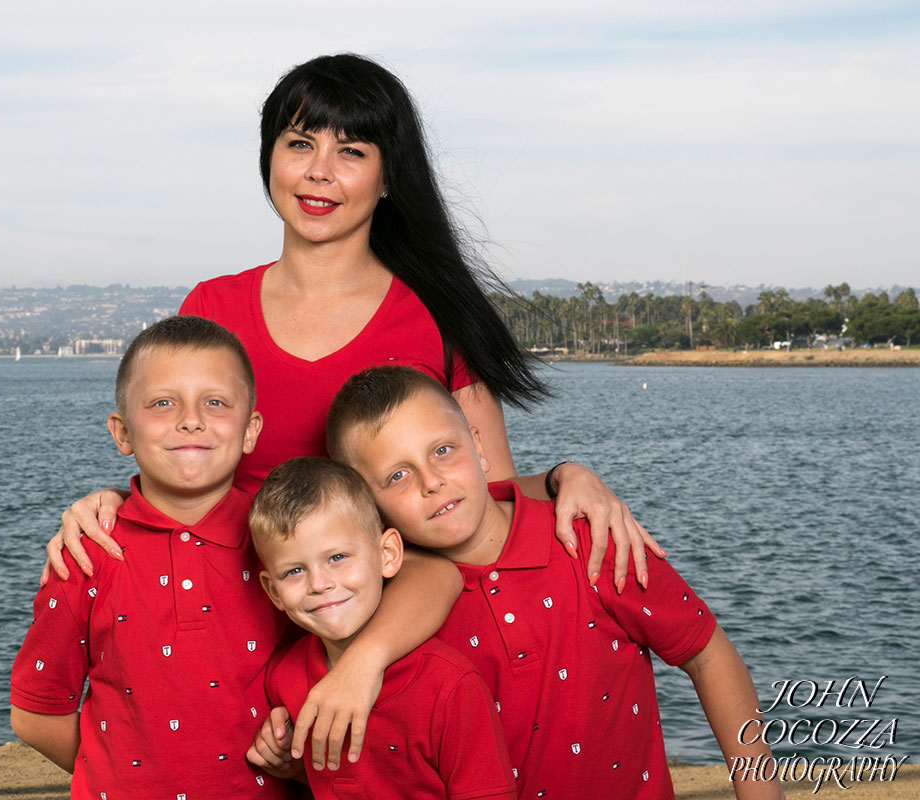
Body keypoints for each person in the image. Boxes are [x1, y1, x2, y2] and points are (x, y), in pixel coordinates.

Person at [43, 53, 663, 767]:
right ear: (268, 157)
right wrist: (107, 502)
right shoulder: (211, 308)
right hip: (232, 661)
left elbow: (469, 514)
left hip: (378, 667)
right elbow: (183, 477)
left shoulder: (435, 320)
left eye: (352, 151)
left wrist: (562, 478)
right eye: (300, 143)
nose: (319, 171)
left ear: (389, 175)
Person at [324, 366, 784, 800]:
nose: (433, 482)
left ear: (479, 447)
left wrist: (761, 790)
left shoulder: (590, 540)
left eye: (443, 450)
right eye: (398, 476)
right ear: (369, 506)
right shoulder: (391, 612)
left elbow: (707, 654)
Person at [9, 316, 293, 798]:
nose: (191, 419)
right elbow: (36, 713)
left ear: (250, 430)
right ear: (122, 433)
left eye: (216, 402)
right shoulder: (87, 553)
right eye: (163, 403)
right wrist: (118, 772)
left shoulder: (285, 541)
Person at [247, 457, 517, 800]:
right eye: (294, 572)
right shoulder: (283, 678)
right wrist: (287, 759)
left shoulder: (449, 686)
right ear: (274, 592)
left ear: (387, 554)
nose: (319, 584)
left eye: (337, 558)